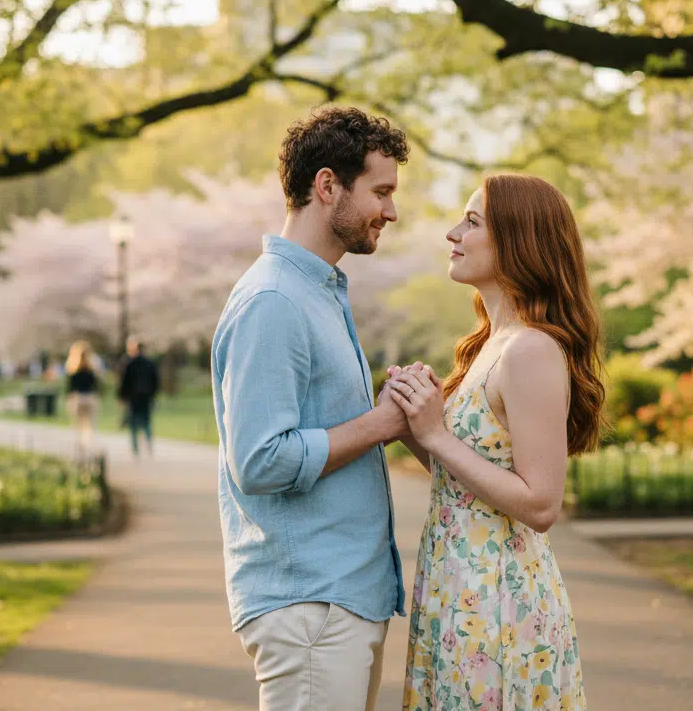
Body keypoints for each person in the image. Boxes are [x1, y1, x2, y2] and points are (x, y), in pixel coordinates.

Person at [211, 105, 412, 710]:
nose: (392, 212)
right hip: (310, 610)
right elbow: (260, 460)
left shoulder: (315, 289)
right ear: (328, 186)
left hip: (340, 602)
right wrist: (380, 423)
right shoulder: (274, 299)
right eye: (381, 191)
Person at [385, 174, 604, 710]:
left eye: (472, 221)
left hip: (499, 600)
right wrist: (417, 424)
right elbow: (467, 477)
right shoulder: (491, 344)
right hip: (455, 589)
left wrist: (436, 434)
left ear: (518, 240)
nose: (452, 233)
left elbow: (540, 502)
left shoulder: (530, 351)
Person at [117, 337, 159, 459]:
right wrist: (153, 394)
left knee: (134, 424)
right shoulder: (149, 363)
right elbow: (155, 381)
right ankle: (148, 444)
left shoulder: (128, 363)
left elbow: (123, 382)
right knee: (146, 422)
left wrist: (122, 397)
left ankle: (136, 449)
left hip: (133, 398)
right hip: (146, 397)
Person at [65, 341, 104, 456]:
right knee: (90, 425)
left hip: (77, 399)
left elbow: (70, 388)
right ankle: (88, 445)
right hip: (90, 398)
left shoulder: (73, 370)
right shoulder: (91, 370)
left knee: (78, 424)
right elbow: (96, 385)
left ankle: (80, 447)